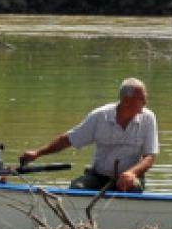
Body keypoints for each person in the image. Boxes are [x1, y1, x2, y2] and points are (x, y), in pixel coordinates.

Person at [21, 77, 158, 192]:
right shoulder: (100, 116)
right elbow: (68, 139)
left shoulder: (148, 118)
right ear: (126, 101)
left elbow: (150, 157)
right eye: (142, 99)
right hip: (98, 176)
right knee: (77, 188)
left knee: (133, 188)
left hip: (130, 177)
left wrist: (132, 173)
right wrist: (37, 153)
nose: (146, 103)